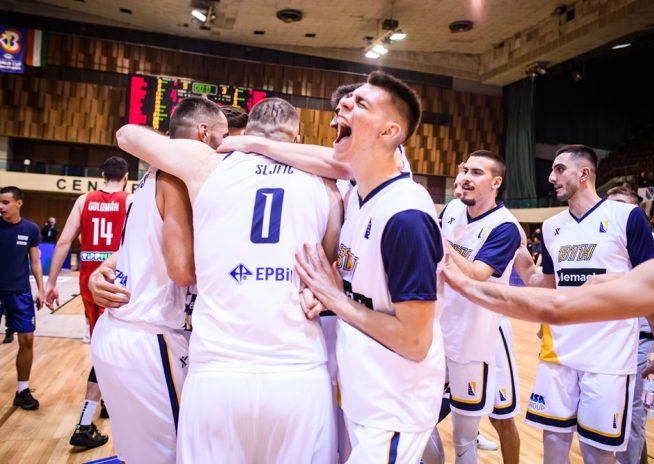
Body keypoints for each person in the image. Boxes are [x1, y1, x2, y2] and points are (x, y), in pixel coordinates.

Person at [115, 96, 342, 463]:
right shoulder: (328, 186)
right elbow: (325, 273)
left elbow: (127, 135)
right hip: (298, 371)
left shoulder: (207, 164)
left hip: (217, 369)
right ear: (298, 140)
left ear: (246, 131)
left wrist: (240, 145)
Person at [445, 144, 654, 464]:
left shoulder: (626, 216)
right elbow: (545, 284)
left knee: (597, 453)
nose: (551, 177)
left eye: (559, 169)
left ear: (584, 173)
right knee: (553, 445)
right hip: (558, 352)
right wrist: (518, 256)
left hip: (608, 356)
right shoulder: (551, 227)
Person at [295, 71, 445, 463]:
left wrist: (337, 301)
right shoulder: (358, 199)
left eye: (360, 103)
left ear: (389, 132)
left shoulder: (406, 216)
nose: (344, 104)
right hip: (362, 394)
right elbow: (365, 295)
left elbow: (414, 341)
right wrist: (326, 298)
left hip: (393, 409)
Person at [88, 96, 227, 464]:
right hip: (151, 339)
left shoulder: (148, 177)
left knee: (138, 453)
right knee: (175, 454)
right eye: (224, 135)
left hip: (118, 330)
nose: (226, 145)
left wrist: (99, 271)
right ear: (203, 133)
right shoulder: (176, 177)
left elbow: (137, 248)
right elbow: (182, 271)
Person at [428, 152, 522, 464]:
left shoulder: (505, 227)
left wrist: (439, 240)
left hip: (475, 341)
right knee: (418, 420)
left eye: (477, 172)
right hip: (439, 332)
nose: (466, 176)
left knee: (465, 439)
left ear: (496, 182)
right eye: (466, 169)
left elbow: (477, 274)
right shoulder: (453, 209)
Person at [44, 156, 131, 448]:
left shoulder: (84, 200)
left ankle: (105, 400)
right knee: (109, 350)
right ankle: (85, 422)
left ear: (102, 175)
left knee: (102, 344)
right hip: (115, 281)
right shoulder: (130, 201)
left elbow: (64, 242)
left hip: (88, 281)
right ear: (126, 177)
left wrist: (51, 283)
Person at [606, 184, 654, 464]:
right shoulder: (604, 245)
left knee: (633, 414)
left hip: (643, 340)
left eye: (623, 206)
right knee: (615, 412)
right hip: (608, 338)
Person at [0, 186, 45, 410]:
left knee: (27, 340)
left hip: (21, 293)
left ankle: (22, 390)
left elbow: (35, 262)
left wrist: (42, 289)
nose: (1, 206)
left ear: (19, 203)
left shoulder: (30, 229)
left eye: (5, 202)